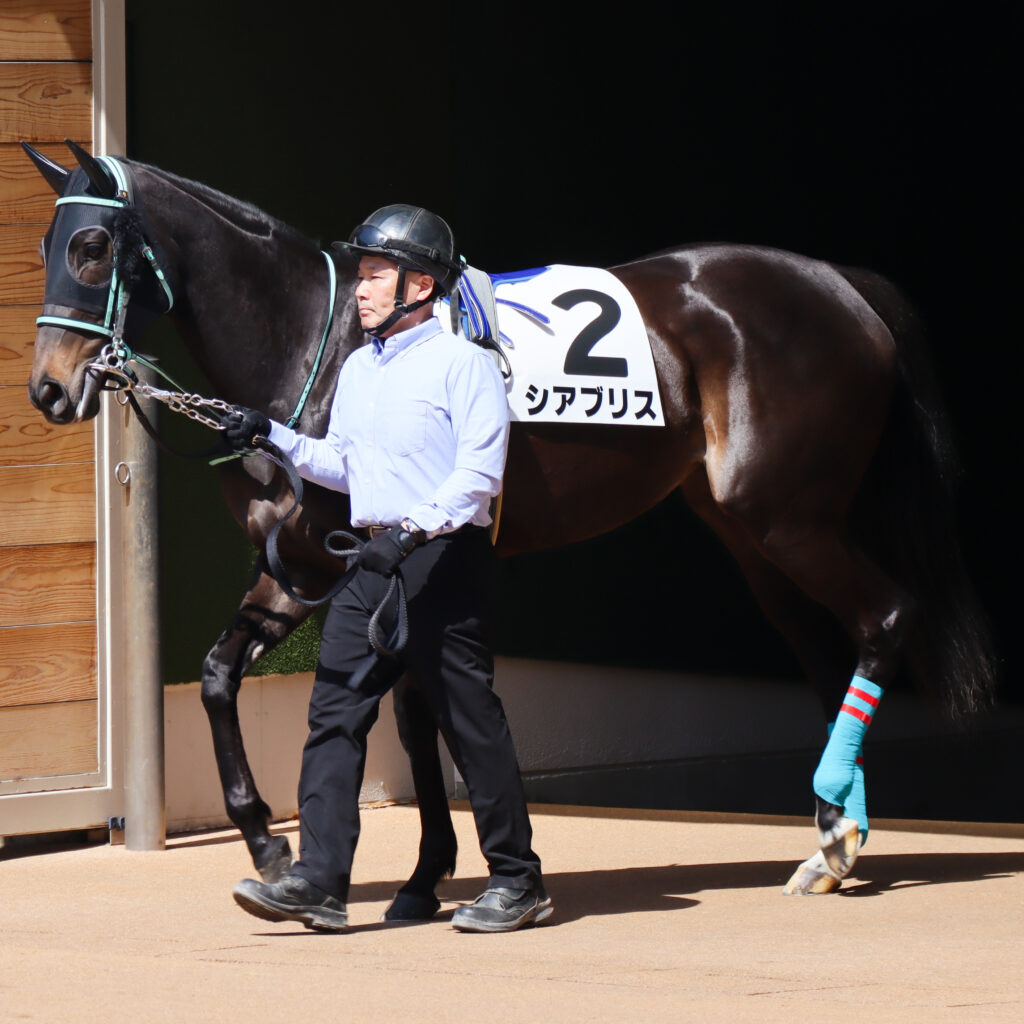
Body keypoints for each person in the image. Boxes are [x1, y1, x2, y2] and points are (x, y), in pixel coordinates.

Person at [225, 204, 549, 934]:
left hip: (441, 559)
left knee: (470, 721)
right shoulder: (358, 368)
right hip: (371, 559)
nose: (360, 289)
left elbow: (478, 478)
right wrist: (269, 434)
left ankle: (518, 880)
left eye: (374, 275)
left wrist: (408, 533)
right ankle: (320, 882)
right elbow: (342, 463)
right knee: (333, 715)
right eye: (361, 275)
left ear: (420, 285)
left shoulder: (466, 364)